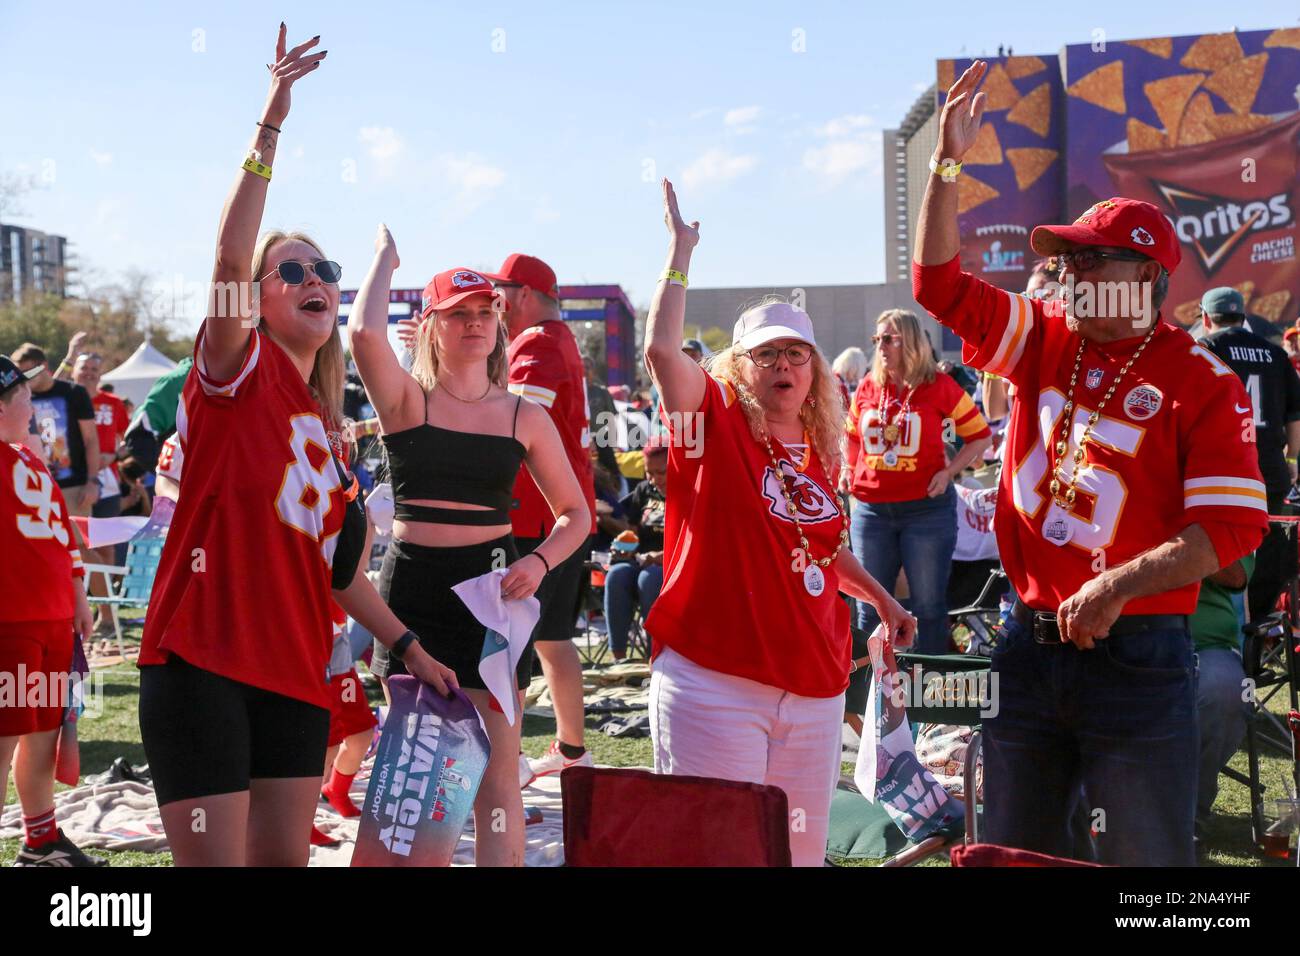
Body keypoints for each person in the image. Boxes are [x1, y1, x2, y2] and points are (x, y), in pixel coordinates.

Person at [912, 61, 1268, 866]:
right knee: (1012, 850)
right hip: (1025, 645)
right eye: (1067, 260)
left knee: (1144, 863)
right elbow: (937, 285)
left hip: (1140, 656)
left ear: (1145, 275)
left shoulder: (1201, 380)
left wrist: (1115, 586)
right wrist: (946, 165)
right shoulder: (1044, 333)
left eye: (1090, 260)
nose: (1070, 273)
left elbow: (1232, 530)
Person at [136, 24, 457, 867]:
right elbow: (229, 256)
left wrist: (411, 649)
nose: (314, 278)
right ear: (259, 301)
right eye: (293, 272)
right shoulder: (233, 372)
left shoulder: (330, 429)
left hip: (295, 673)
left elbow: (338, 570)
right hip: (201, 658)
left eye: (324, 268)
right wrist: (271, 120)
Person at [644, 179, 916, 867]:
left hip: (816, 685)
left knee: (795, 856)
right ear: (741, 366)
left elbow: (823, 550)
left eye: (796, 354)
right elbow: (660, 353)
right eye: (767, 354)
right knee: (720, 854)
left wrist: (881, 597)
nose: (784, 365)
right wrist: (680, 255)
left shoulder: (822, 445)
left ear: (816, 368)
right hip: (716, 680)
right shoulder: (711, 421)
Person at [348, 227, 589, 866]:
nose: (475, 324)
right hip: (414, 596)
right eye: (458, 315)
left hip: (490, 597)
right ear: (431, 326)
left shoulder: (522, 414)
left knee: (496, 771)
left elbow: (576, 515)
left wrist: (538, 563)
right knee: (413, 767)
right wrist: (385, 260)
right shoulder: (406, 402)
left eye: (485, 312)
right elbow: (364, 336)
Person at [485, 253, 598, 786]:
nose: (494, 304)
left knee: (511, 649)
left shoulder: (537, 344)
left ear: (524, 294)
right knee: (552, 639)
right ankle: (571, 749)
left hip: (538, 520)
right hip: (561, 516)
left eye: (501, 292)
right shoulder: (556, 340)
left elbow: (508, 423)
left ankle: (501, 771)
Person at [0, 356, 105, 867]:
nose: (33, 404)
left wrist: (79, 595)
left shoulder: (32, 459)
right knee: (1, 742)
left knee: (44, 733)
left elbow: (64, 535)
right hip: (9, 622)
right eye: (24, 395)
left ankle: (40, 841)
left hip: (51, 618)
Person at [843, 309, 992, 654]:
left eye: (889, 339)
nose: (881, 346)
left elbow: (980, 436)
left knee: (928, 607)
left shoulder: (939, 386)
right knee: (869, 609)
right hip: (871, 512)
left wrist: (949, 471)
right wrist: (850, 469)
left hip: (926, 512)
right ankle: (871, 697)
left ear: (909, 340)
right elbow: (851, 435)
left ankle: (933, 697)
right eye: (877, 339)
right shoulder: (868, 385)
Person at [1199, 286, 1300, 621]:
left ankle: (1230, 636)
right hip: (1270, 469)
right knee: (1268, 558)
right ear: (1243, 317)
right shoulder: (1275, 353)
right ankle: (1259, 632)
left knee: (1224, 553)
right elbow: (1294, 416)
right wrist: (1291, 461)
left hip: (1222, 472)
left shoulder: (1206, 348)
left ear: (1205, 318)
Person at [59, 344, 131, 635]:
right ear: (74, 371)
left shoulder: (112, 402)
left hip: (108, 483)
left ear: (101, 375)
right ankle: (98, 608)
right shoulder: (64, 397)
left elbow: (122, 442)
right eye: (84, 369)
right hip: (75, 483)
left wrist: (111, 456)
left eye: (94, 370)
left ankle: (106, 612)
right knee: (79, 547)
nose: (88, 374)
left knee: (104, 548)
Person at [1189, 553, 1253, 846]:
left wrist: (1182, 539)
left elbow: (1236, 575)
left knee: (1225, 692)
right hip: (1118, 636)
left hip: (1206, 643)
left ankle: (1188, 812)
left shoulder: (1221, 506)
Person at [11, 344, 100, 519]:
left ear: (43, 366)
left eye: (29, 370)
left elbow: (91, 439)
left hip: (73, 487)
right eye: (21, 373)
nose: (25, 378)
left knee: (80, 545)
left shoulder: (74, 392)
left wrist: (92, 482)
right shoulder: (22, 398)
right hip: (35, 488)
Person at [601, 437, 668, 660]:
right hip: (642, 559)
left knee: (648, 580)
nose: (654, 479)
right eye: (649, 473)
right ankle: (618, 657)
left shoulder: (689, 492)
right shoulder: (645, 490)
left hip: (674, 563)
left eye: (662, 472)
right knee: (616, 575)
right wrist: (623, 545)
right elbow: (632, 532)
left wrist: (659, 556)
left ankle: (654, 656)